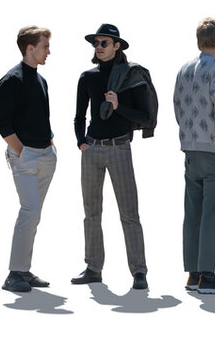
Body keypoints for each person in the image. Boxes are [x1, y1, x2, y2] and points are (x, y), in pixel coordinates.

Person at [72, 24, 155, 290]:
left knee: (129, 213)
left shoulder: (131, 77)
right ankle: (93, 268)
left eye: (104, 43)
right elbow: (79, 115)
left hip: (120, 148)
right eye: (96, 43)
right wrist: (81, 142)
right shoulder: (87, 77)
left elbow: (145, 117)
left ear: (117, 45)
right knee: (91, 212)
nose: (98, 47)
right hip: (92, 149)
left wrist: (119, 106)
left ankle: (139, 272)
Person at [173, 17, 215, 294]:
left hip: (191, 150)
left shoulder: (184, 69)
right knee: (213, 216)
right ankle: (209, 277)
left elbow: (177, 106)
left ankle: (194, 274)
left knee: (193, 214)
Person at [0, 25, 56, 292]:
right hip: (27, 158)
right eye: (45, 46)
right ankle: (14, 274)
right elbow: (1, 122)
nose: (49, 51)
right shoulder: (12, 80)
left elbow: (42, 117)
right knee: (29, 213)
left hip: (46, 156)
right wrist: (22, 152)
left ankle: (24, 270)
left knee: (34, 216)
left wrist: (51, 145)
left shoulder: (41, 80)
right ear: (29, 48)